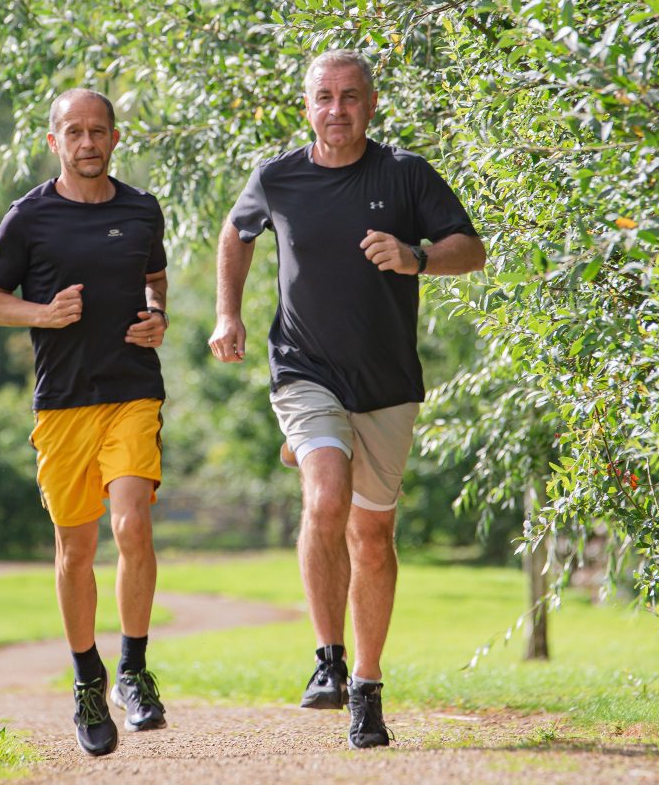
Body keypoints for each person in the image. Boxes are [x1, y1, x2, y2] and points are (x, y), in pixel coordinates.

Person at [208, 50, 486, 749]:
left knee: (372, 533)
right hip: (304, 369)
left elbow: (470, 248)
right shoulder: (278, 177)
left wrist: (416, 256)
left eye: (350, 96)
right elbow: (235, 235)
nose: (337, 109)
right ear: (306, 105)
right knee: (326, 495)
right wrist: (228, 314)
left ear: (371, 102)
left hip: (388, 383)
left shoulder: (404, 175)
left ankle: (366, 684)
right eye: (324, 96)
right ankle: (327, 659)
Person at [0, 88, 170, 757]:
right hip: (62, 404)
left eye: (99, 131)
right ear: (53, 141)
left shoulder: (143, 209)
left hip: (132, 392)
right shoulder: (28, 218)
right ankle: (88, 681)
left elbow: (155, 279)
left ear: (116, 137)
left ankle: (134, 670)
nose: (88, 142)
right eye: (74, 132)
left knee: (133, 522)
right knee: (76, 550)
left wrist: (156, 314)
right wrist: (43, 314)